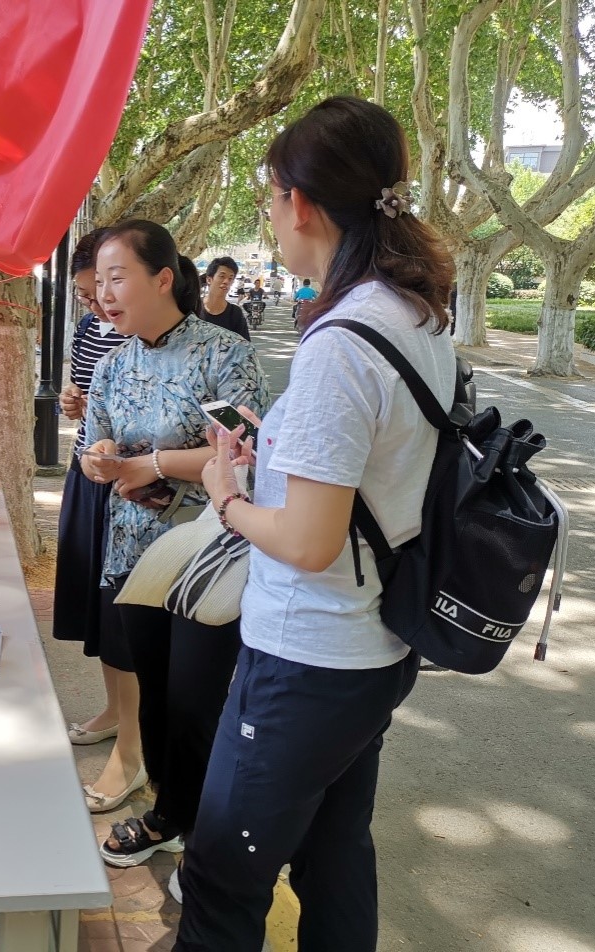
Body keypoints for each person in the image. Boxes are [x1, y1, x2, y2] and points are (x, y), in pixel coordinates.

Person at [173, 96, 456, 947]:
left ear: (298, 203)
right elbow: (376, 469)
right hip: (375, 646)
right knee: (334, 855)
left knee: (221, 873)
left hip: (308, 655)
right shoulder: (416, 314)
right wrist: (278, 452)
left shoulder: (340, 340)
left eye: (270, 197)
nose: (270, 214)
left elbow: (307, 540)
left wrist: (227, 496)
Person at [80, 220, 270, 869]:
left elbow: (244, 451)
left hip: (206, 555)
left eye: (117, 277)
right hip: (133, 555)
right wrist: (102, 458)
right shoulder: (111, 363)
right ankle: (169, 815)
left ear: (162, 279)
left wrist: (154, 464)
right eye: (99, 280)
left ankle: (208, 840)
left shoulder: (222, 354)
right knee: (155, 696)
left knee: (196, 701)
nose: (105, 293)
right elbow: (92, 446)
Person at [51, 229, 138, 813]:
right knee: (101, 610)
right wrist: (75, 404)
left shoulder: (172, 340)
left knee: (128, 615)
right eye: (90, 292)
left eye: (109, 284)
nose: (100, 301)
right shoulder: (89, 331)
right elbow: (85, 399)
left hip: (139, 490)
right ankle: (115, 712)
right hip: (91, 472)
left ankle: (136, 741)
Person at [198, 257, 251, 341]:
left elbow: (245, 346)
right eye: (222, 276)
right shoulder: (194, 308)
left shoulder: (235, 313)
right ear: (209, 280)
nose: (226, 281)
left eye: (230, 278)